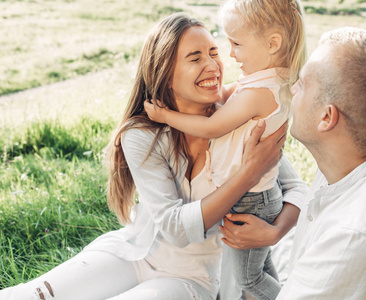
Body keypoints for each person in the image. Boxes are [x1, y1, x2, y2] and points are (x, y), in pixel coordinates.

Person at [0, 13, 307, 300]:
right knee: (35, 294)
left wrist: (276, 231)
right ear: (165, 73)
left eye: (214, 53)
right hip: (131, 253)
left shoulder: (238, 121)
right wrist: (247, 176)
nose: (213, 65)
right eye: (195, 57)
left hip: (192, 277)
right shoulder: (142, 135)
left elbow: (298, 189)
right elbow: (174, 226)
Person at [222, 27, 366, 299]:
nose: (292, 88)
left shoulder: (355, 240)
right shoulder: (356, 158)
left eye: (303, 84)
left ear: (327, 118)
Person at [144, 1, 306, 298]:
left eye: (236, 44)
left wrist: (165, 116)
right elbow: (228, 95)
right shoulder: (266, 80)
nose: (230, 54)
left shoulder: (260, 92)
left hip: (251, 203)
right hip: (256, 199)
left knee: (249, 280)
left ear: (272, 44)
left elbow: (212, 127)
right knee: (262, 267)